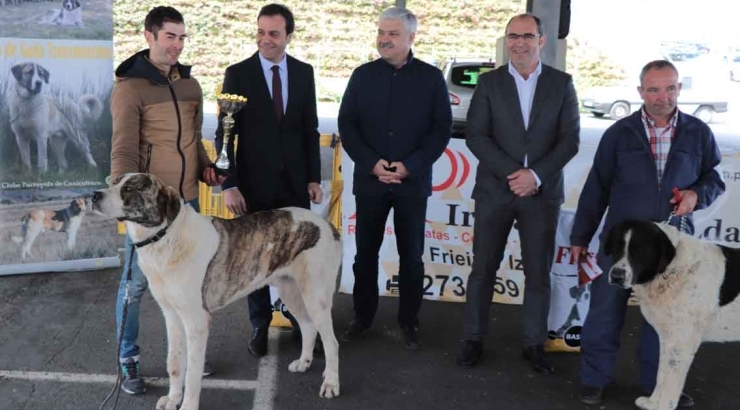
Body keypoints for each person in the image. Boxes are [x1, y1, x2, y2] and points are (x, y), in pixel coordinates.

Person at [570, 59, 725, 407]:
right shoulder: (619, 133)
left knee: (669, 321)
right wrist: (580, 237)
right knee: (604, 313)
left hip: (670, 250)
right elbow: (596, 189)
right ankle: (594, 380)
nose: (662, 96)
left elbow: (713, 178)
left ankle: (659, 387)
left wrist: (696, 195)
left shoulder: (698, 132)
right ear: (640, 92)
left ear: (679, 89)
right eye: (653, 89)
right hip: (619, 244)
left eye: (670, 88)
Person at [457, 13, 580, 373]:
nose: (519, 43)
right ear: (506, 40)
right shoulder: (490, 83)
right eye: (513, 36)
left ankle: (533, 343)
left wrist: (536, 176)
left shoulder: (562, 84)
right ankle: (473, 338)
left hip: (541, 194)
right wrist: (515, 173)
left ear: (542, 40)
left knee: (538, 274)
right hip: (496, 190)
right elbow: (476, 135)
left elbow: (569, 140)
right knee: (482, 270)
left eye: (527, 36)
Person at [110, 6, 223, 395]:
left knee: (191, 284)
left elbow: (194, 139)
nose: (176, 45)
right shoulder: (129, 88)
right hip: (149, 212)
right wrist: (123, 200)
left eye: (181, 37)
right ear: (149, 36)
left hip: (188, 205)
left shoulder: (190, 85)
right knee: (137, 285)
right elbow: (123, 150)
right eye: (169, 36)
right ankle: (128, 357)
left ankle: (190, 356)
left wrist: (207, 166)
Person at [337, 6, 452, 351]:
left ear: (411, 38)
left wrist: (410, 166)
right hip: (370, 183)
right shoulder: (361, 75)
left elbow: (440, 129)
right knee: (364, 256)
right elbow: (348, 124)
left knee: (411, 257)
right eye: (381, 33)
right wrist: (372, 163)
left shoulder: (431, 79)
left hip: (411, 184)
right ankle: (362, 317)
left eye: (392, 34)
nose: (384, 40)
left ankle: (408, 321)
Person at [215, 3, 322, 358]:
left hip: (294, 187)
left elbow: (309, 129)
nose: (265, 40)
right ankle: (260, 325)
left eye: (274, 34)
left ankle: (299, 321)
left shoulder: (305, 73)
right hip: (252, 188)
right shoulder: (238, 73)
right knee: (254, 260)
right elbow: (225, 134)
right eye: (260, 32)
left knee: (297, 258)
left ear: (289, 36)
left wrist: (313, 177)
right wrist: (229, 183)